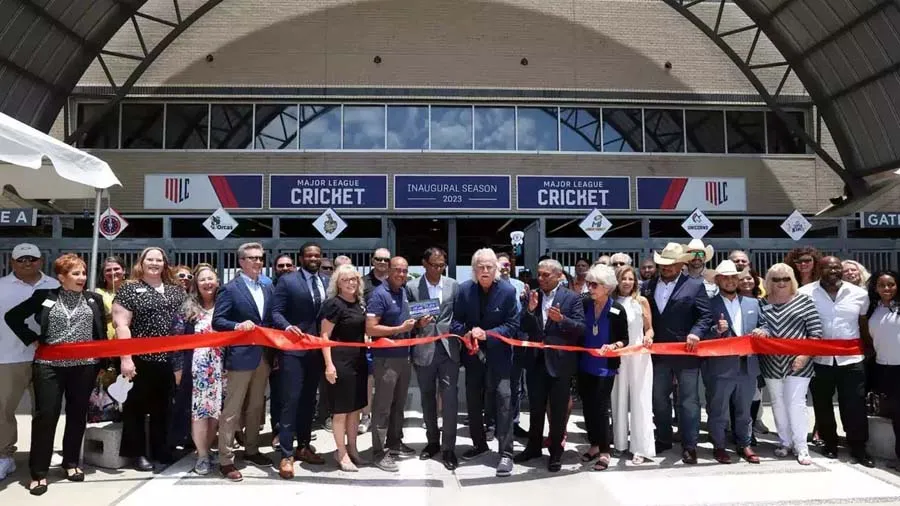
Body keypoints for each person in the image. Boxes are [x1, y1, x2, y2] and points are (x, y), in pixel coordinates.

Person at [4, 254, 105, 495]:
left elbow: (100, 332)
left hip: (84, 366)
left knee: (77, 414)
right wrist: (32, 338)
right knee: (46, 416)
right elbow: (12, 317)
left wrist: (104, 361)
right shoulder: (44, 296)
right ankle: (39, 473)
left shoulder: (94, 299)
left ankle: (71, 463)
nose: (82, 277)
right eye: (75, 273)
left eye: (83, 273)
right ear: (61, 277)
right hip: (49, 366)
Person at [113, 247, 188, 472]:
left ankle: (161, 450)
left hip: (170, 360)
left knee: (163, 408)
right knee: (135, 408)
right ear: (142, 263)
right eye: (150, 259)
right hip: (140, 359)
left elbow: (188, 319)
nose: (154, 263)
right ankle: (137, 454)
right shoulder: (129, 289)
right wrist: (126, 358)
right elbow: (122, 325)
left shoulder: (176, 290)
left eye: (159, 260)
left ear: (165, 264)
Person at [641, 242, 712, 465]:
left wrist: (696, 333)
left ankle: (689, 445)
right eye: (663, 264)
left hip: (686, 352)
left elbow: (705, 316)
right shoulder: (647, 286)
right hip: (657, 353)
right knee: (658, 398)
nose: (666, 267)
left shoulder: (695, 285)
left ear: (682, 264)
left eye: (671, 264)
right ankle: (663, 438)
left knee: (689, 400)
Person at [451, 248, 519, 477]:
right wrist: (469, 333)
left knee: (504, 401)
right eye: (480, 267)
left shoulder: (508, 291)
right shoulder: (464, 290)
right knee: (473, 402)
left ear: (496, 269)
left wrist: (487, 334)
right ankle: (479, 444)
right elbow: (456, 322)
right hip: (473, 356)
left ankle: (506, 453)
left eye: (489, 266)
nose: (485, 271)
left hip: (500, 357)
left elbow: (512, 325)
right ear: (474, 269)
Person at [799, 256, 873, 467]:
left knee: (854, 404)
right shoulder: (805, 293)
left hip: (852, 359)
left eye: (836, 267)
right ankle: (830, 443)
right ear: (819, 270)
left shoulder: (859, 294)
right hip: (819, 360)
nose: (833, 271)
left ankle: (858, 447)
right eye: (827, 268)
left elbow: (863, 324)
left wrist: (869, 349)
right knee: (822, 404)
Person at [212, 242, 274, 481]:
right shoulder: (230, 289)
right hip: (240, 356)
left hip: (263, 356)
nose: (258, 262)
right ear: (241, 262)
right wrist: (237, 325)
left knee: (257, 406)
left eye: (260, 258)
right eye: (252, 258)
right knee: (232, 409)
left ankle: (251, 449)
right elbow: (218, 321)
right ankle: (226, 459)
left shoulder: (267, 286)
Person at [515, 259, 584, 472]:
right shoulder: (532, 295)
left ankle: (555, 452)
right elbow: (522, 325)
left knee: (558, 410)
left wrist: (562, 319)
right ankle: (533, 447)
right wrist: (530, 310)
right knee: (535, 408)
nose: (541, 278)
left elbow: (581, 328)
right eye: (539, 274)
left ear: (558, 276)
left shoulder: (572, 298)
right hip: (536, 361)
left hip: (560, 363)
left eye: (546, 275)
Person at [0, 243, 59, 482]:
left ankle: (43, 454)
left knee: (46, 411)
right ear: (12, 262)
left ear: (41, 261)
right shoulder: (1, 286)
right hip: (8, 357)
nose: (27, 263)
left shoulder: (54, 285)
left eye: (32, 259)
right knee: (3, 409)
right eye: (21, 259)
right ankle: (4, 455)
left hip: (47, 359)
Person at [271, 242, 329, 479]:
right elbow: (275, 312)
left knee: (308, 402)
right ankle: (286, 454)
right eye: (309, 255)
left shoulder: (326, 281)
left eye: (317, 255)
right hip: (293, 350)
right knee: (291, 401)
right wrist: (287, 326)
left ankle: (303, 446)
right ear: (301, 258)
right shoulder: (288, 281)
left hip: (316, 351)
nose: (313, 258)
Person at [755, 263, 822, 466]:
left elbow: (816, 333)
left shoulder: (805, 301)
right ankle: (785, 442)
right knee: (777, 403)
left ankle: (801, 447)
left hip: (799, 363)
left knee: (796, 404)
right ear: (769, 281)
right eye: (776, 279)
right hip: (771, 363)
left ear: (792, 280)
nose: (781, 283)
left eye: (786, 278)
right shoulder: (761, 303)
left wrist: (804, 356)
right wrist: (761, 331)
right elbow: (760, 326)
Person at [366, 256, 427, 472]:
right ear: (389, 271)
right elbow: (370, 328)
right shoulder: (379, 294)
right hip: (386, 359)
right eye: (397, 270)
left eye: (404, 270)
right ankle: (378, 452)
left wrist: (419, 323)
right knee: (382, 406)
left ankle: (394, 442)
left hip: (403, 357)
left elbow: (406, 323)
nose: (401, 274)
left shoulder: (403, 292)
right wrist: (399, 329)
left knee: (398, 405)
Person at [702, 260, 761, 465]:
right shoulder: (708, 303)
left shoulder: (753, 303)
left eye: (734, 277)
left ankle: (744, 444)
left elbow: (765, 325)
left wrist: (763, 331)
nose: (730, 281)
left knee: (744, 411)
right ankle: (719, 446)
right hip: (720, 367)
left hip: (747, 365)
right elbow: (700, 332)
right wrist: (715, 331)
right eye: (725, 278)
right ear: (718, 280)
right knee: (718, 410)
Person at [407, 247, 460, 470]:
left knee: (450, 399)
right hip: (424, 348)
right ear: (424, 264)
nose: (438, 269)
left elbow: (458, 315)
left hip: (448, 349)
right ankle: (432, 442)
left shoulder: (453, 285)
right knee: (427, 398)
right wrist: (417, 324)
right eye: (434, 265)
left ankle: (449, 448)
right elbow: (406, 317)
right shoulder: (412, 287)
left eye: (442, 265)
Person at [170, 264, 223, 476]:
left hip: (220, 368)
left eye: (211, 279)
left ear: (217, 282)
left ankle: (207, 450)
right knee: (199, 413)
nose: (207, 283)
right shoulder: (187, 309)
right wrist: (177, 368)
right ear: (196, 284)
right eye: (202, 280)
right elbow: (176, 341)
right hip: (197, 368)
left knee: (215, 413)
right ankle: (201, 456)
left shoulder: (224, 305)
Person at [579, 264, 628, 471]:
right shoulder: (584, 304)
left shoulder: (617, 309)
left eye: (594, 285)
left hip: (605, 366)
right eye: (589, 284)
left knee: (600, 408)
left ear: (606, 287)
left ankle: (605, 451)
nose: (590, 288)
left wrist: (614, 346)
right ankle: (594, 444)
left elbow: (624, 339)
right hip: (584, 363)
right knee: (588, 407)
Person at [320, 264, 368, 472]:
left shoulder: (359, 304)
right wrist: (329, 365)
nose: (351, 283)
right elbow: (324, 336)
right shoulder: (334, 305)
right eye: (346, 279)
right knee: (341, 411)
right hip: (340, 363)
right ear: (337, 283)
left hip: (359, 362)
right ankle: (341, 453)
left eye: (354, 279)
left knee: (355, 409)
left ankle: (353, 449)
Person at [611, 265, 655, 464]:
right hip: (618, 354)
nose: (627, 282)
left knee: (640, 400)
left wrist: (648, 337)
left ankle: (641, 448)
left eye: (630, 279)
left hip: (639, 355)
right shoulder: (611, 302)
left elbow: (650, 329)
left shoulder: (641, 301)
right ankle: (619, 443)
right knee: (618, 398)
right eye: (623, 278)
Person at [866, 271, 900, 467]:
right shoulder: (874, 309)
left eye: (891, 284)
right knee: (896, 415)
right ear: (875, 288)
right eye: (882, 285)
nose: (887, 288)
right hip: (884, 369)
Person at [498, 251, 527, 438]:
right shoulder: (490, 286)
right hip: (498, 340)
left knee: (516, 385)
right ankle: (494, 423)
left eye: (507, 265)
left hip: (517, 341)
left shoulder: (520, 286)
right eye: (501, 265)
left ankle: (514, 422)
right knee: (496, 385)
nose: (504, 268)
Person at [96, 256, 126, 339]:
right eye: (108, 270)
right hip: (106, 337)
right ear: (103, 274)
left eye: (116, 269)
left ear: (124, 270)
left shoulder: (133, 290)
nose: (112, 273)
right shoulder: (96, 293)